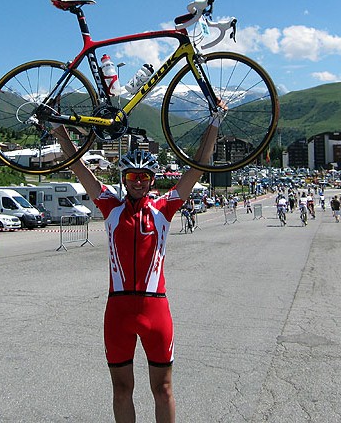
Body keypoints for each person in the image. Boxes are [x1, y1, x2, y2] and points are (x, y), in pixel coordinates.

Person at [51, 117, 219, 423]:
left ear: (152, 180)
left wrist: (215, 123)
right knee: (121, 389)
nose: (137, 181)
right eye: (131, 176)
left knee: (163, 388)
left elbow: (198, 165)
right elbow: (78, 166)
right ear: (124, 179)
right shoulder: (109, 206)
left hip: (155, 308)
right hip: (118, 311)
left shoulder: (164, 208)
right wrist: (58, 131)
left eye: (144, 176)